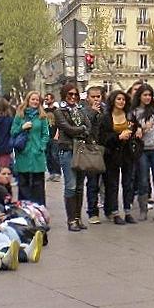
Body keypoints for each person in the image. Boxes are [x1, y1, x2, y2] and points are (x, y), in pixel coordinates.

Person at [53, 83, 93, 232]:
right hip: (68, 150)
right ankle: (71, 220)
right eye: (70, 94)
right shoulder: (59, 111)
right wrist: (81, 129)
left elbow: (88, 127)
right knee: (71, 184)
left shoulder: (81, 110)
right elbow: (67, 129)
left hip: (81, 149)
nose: (73, 97)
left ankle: (78, 218)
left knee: (80, 186)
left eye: (75, 94)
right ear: (64, 95)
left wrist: (82, 130)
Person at [98, 90, 139, 224]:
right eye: (118, 99)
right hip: (111, 155)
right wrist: (118, 136)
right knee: (112, 184)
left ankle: (128, 211)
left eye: (123, 99)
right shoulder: (106, 118)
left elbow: (135, 131)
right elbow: (103, 138)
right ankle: (114, 212)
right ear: (113, 101)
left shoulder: (130, 116)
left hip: (127, 153)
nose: (121, 102)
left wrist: (134, 131)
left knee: (128, 183)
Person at [131, 84, 154, 221]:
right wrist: (140, 129)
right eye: (145, 95)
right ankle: (143, 210)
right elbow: (131, 130)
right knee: (142, 181)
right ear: (139, 96)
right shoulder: (134, 112)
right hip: (142, 150)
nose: (147, 98)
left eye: (149, 95)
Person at [11, 90, 50, 206]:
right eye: (33, 99)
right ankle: (25, 208)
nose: (35, 102)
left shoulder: (42, 117)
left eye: (37, 100)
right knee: (23, 183)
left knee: (38, 183)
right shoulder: (20, 115)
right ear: (28, 100)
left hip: (37, 153)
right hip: (23, 152)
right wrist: (22, 127)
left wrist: (41, 147)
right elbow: (12, 132)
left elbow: (46, 134)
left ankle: (39, 207)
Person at [83, 87, 105, 224]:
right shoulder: (84, 111)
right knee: (92, 182)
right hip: (90, 149)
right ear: (88, 98)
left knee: (107, 182)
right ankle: (92, 212)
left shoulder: (105, 110)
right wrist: (92, 112)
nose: (96, 99)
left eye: (98, 96)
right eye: (93, 97)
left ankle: (109, 209)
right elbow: (85, 128)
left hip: (105, 148)